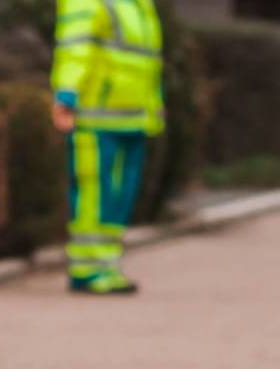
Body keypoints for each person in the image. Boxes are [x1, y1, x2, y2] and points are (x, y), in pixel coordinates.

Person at [51, 0, 166, 294]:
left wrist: (155, 106)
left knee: (119, 198)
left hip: (134, 117)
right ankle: (86, 270)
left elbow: (147, 62)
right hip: (95, 117)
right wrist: (66, 94)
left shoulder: (140, 5)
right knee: (94, 193)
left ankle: (107, 264)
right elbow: (74, 48)